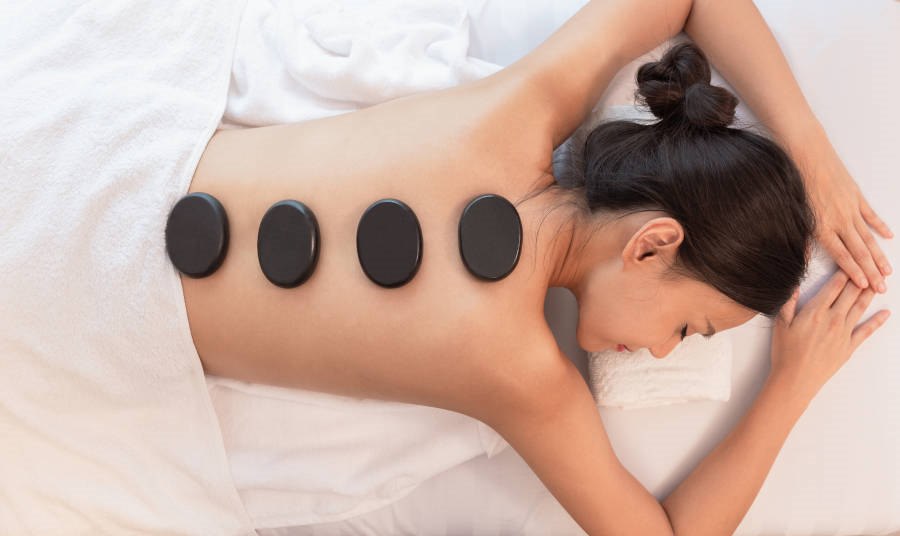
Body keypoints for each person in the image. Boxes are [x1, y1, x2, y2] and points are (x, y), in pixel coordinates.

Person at [180, 0, 892, 533]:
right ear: (651, 244)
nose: (658, 350)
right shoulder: (522, 377)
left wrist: (808, 153)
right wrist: (792, 386)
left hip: (128, 185)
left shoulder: (524, 105)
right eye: (688, 326)